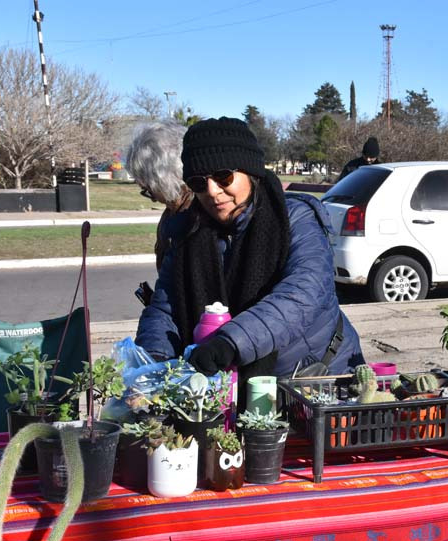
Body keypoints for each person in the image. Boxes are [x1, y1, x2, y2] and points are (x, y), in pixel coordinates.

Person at [135, 116, 364, 393]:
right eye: (198, 182)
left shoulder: (297, 218)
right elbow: (165, 307)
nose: (213, 192)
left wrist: (230, 342)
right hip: (234, 389)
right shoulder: (189, 232)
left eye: (223, 176)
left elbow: (303, 293)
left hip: (315, 379)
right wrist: (154, 362)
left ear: (250, 171)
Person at [126, 121, 194, 306]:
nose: (152, 198)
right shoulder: (171, 213)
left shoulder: (197, 216)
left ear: (164, 179)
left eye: (149, 190)